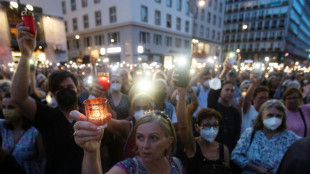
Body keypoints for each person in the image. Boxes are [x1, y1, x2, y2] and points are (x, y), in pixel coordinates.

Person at [11, 23, 84, 174]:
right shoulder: (48, 116)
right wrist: (26, 54)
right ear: (52, 93)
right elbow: (19, 98)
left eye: (70, 88)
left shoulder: (89, 115)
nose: (66, 92)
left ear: (78, 90)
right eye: (60, 89)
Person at [70, 110, 185, 174]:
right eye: (140, 137)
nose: (145, 146)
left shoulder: (176, 165)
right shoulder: (128, 168)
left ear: (169, 142)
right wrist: (91, 153)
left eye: (153, 138)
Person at [231, 100, 300, 174]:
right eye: (270, 115)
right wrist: (257, 169)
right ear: (261, 116)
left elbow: (305, 145)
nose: (274, 119)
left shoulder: (289, 137)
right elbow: (235, 156)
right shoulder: (250, 133)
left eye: (278, 116)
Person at [177, 85, 230, 173]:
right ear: (197, 128)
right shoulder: (192, 145)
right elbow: (182, 126)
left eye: (215, 125)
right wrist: (183, 91)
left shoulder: (223, 150)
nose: (212, 129)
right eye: (207, 125)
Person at [0, 93, 44, 174]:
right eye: (3, 107)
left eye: (11, 107)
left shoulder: (35, 132)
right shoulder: (2, 127)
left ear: (22, 109)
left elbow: (44, 159)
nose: (6, 111)